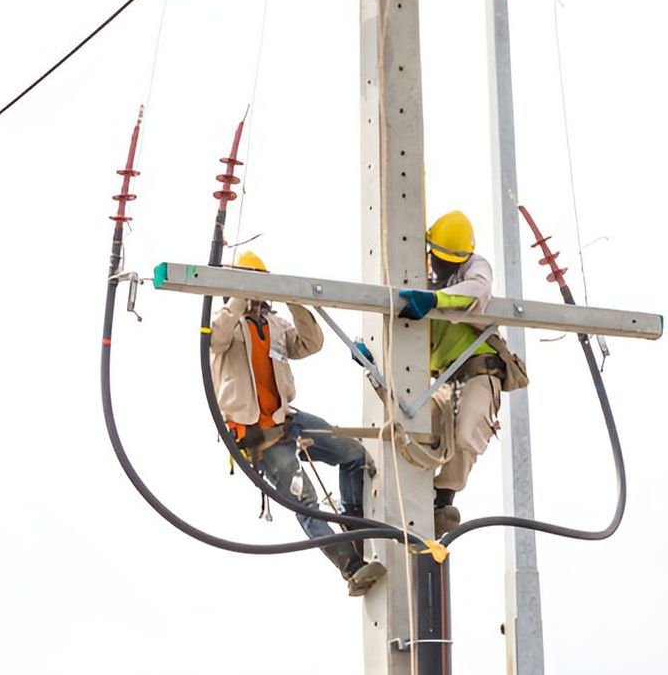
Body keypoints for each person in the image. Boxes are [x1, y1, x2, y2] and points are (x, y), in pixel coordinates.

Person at [210, 250, 387, 597]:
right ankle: (351, 568)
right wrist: (237, 297)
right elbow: (215, 338)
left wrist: (295, 302)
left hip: (286, 420)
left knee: (354, 455)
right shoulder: (226, 324)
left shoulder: (274, 324)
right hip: (257, 435)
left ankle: (355, 533)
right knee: (304, 500)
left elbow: (310, 343)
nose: (257, 295)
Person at [395, 210, 514, 536]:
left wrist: (436, 299)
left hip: (478, 369)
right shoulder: (416, 267)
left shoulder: (474, 267)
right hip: (445, 375)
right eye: (439, 258)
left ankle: (443, 497)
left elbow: (477, 291)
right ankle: (422, 501)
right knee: (420, 433)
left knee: (464, 436)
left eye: (450, 261)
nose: (443, 266)